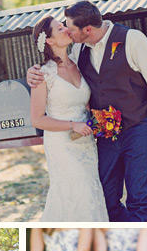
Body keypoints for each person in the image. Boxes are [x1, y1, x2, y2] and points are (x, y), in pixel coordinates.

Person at [28, 0, 147, 222]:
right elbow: (56, 72)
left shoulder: (132, 40)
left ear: (87, 30)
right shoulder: (78, 51)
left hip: (139, 129)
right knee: (106, 201)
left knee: (139, 200)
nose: (67, 31)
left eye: (69, 27)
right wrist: (32, 72)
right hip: (105, 136)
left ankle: (137, 244)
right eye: (62, 27)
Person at [30, 15, 108, 222]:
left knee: (90, 192)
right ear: (49, 40)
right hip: (61, 144)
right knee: (74, 192)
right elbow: (37, 120)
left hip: (86, 143)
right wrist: (73, 124)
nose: (66, 29)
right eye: (59, 28)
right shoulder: (43, 74)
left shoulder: (80, 63)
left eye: (64, 26)